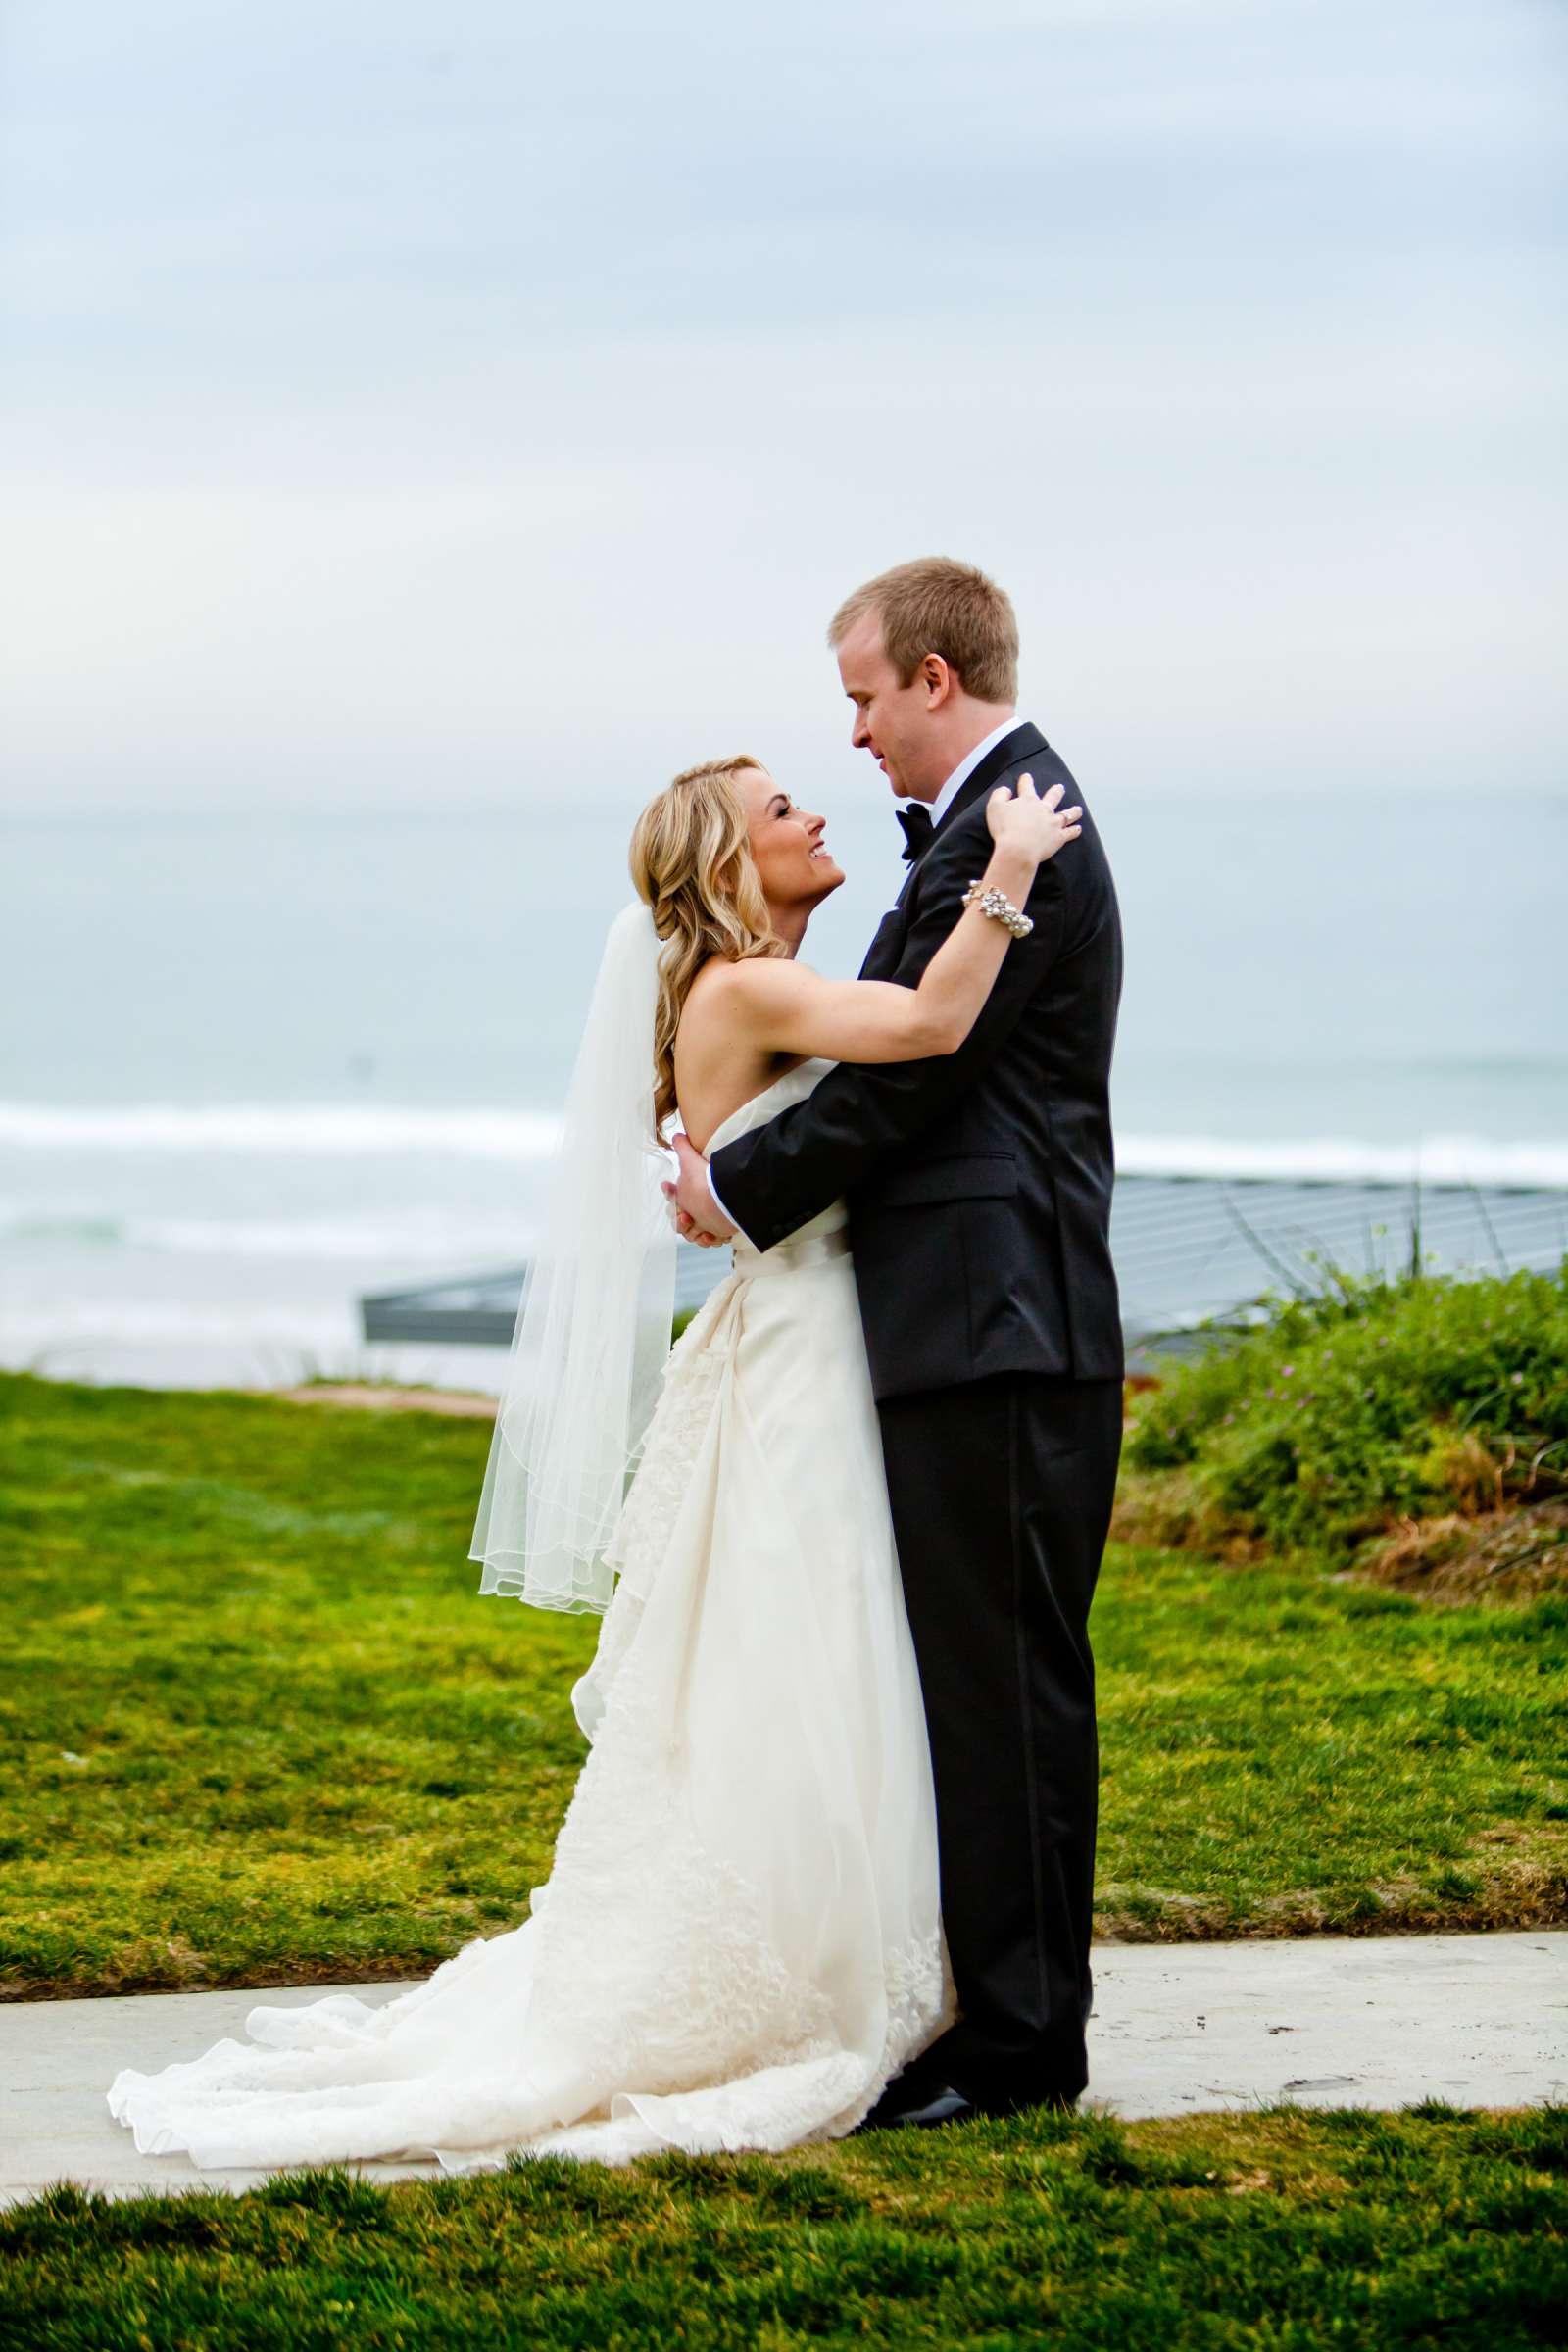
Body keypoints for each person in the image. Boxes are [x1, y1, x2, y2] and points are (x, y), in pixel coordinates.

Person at [105, 740, 1081, 2174]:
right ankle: (810, 1965)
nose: (815, 812)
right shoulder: (745, 987)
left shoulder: (734, 988)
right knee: (807, 1662)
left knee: (798, 1664)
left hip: (802, 1341)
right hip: (803, 1359)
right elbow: (936, 1029)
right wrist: (1006, 871)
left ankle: (851, 1945)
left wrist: (724, 1186)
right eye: (780, 811)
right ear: (727, 863)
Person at [670, 557, 1124, 2125]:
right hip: (975, 1318)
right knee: (983, 1694)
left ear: (936, 680)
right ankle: (1003, 2019)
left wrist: (732, 1185)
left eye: (863, 696)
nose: (855, 734)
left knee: (1004, 1695)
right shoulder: (987, 833)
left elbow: (907, 1079)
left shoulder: (1025, 834)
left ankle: (1019, 2055)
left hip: (997, 1321)